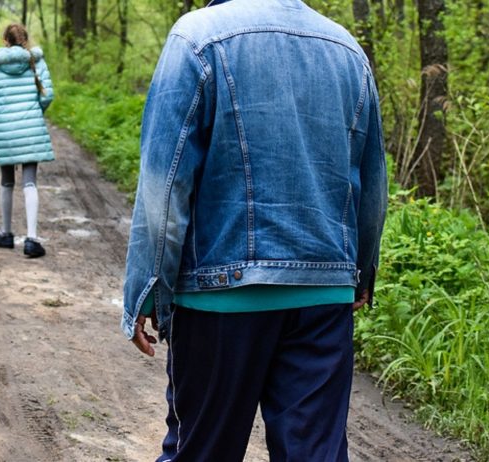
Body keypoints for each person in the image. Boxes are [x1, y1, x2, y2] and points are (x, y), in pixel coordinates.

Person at [122, 0, 387, 460]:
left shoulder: (197, 38)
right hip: (323, 297)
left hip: (220, 298)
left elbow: (163, 182)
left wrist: (147, 288)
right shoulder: (347, 49)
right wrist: (359, 272)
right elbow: (370, 183)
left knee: (201, 451)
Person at [0, 23, 54, 258]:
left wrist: (2, 117)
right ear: (25, 40)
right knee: (30, 182)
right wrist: (35, 112)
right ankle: (32, 240)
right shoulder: (36, 62)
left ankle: (6, 233)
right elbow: (48, 95)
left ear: (5, 40)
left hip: (5, 128)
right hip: (31, 126)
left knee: (6, 181)